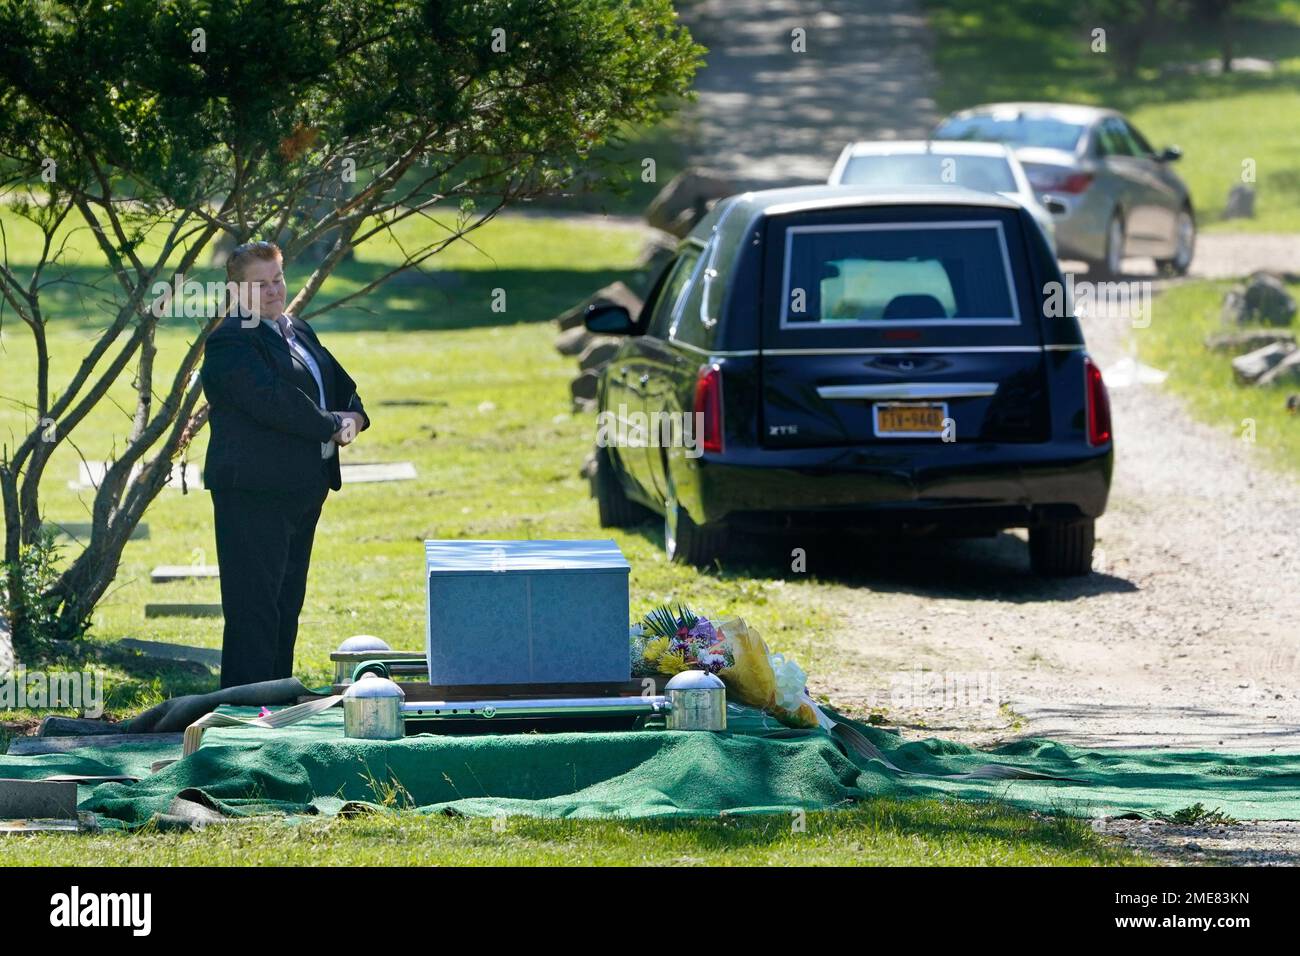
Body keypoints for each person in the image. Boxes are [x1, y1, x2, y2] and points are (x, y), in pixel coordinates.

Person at [200, 240, 370, 688]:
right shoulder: (230, 341)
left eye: (277, 279)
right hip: (253, 492)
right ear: (236, 291)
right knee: (254, 607)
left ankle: (275, 702)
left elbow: (342, 385)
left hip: (303, 488)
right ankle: (244, 715)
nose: (273, 291)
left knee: (286, 603)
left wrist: (352, 417)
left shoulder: (297, 329)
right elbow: (273, 403)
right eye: (260, 284)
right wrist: (332, 424)